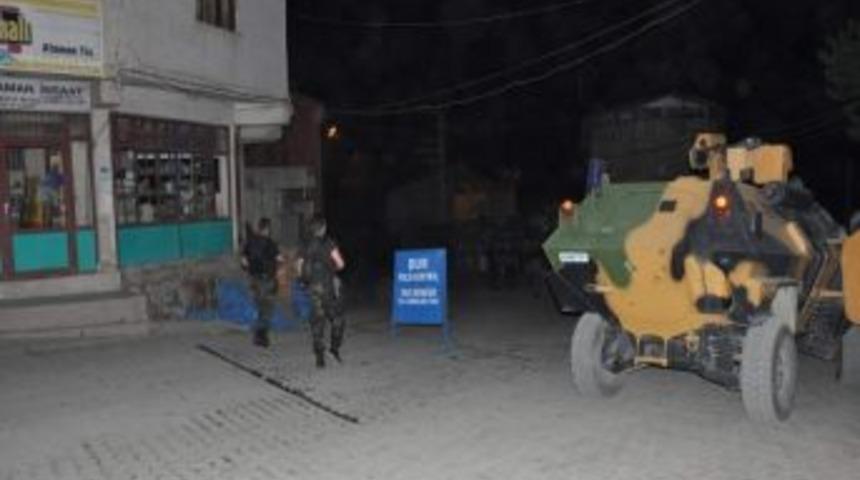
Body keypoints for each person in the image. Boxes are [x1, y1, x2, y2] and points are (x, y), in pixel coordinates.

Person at [297, 214, 346, 368]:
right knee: (337, 319)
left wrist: (304, 279)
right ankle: (334, 350)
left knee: (317, 321)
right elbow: (340, 264)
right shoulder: (328, 243)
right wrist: (332, 269)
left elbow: (298, 266)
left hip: (313, 287)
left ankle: (319, 357)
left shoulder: (305, 244)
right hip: (327, 287)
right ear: (323, 227)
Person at [241, 218, 283, 348]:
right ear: (267, 229)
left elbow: (243, 261)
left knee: (260, 307)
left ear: (259, 227)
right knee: (267, 309)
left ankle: (259, 335)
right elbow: (279, 259)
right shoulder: (270, 244)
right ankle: (261, 336)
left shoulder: (249, 243)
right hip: (266, 280)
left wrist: (250, 270)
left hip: (254, 279)